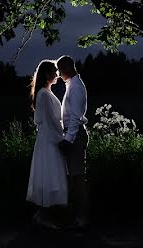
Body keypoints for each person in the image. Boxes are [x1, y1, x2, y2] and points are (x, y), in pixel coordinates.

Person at [26, 59, 68, 229]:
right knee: (48, 175)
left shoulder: (46, 93)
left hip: (49, 137)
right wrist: (62, 139)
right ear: (46, 74)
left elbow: (52, 120)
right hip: (49, 139)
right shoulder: (43, 94)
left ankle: (41, 215)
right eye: (54, 71)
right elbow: (51, 121)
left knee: (50, 175)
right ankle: (43, 217)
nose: (57, 74)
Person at [56, 55, 89, 228]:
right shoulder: (72, 85)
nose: (59, 74)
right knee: (74, 178)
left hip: (75, 136)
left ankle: (81, 219)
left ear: (67, 69)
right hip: (72, 135)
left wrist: (68, 139)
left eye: (60, 70)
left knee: (78, 178)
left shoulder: (75, 87)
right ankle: (76, 217)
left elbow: (75, 117)